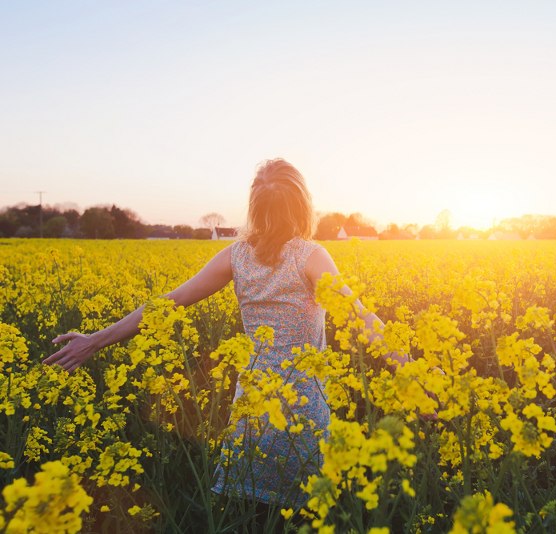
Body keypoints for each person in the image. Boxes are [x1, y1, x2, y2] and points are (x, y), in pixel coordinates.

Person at [44, 158, 409, 528]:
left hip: (251, 403)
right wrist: (412, 373)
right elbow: (360, 317)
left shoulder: (236, 256)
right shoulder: (311, 256)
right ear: (303, 204)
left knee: (247, 513)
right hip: (302, 405)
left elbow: (165, 304)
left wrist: (95, 340)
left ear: (255, 206)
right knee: (305, 516)